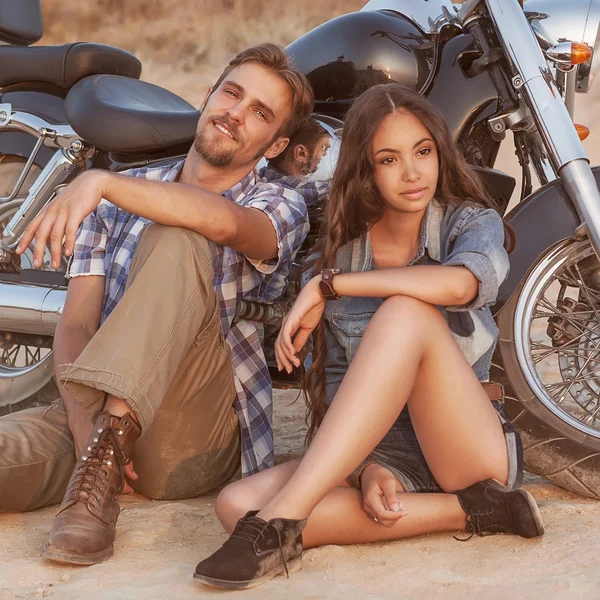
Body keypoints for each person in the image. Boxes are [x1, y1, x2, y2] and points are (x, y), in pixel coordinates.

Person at [194, 84, 544, 590]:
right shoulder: (342, 252)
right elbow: (337, 387)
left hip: (465, 446)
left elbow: (462, 284)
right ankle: (474, 512)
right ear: (365, 169)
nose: (412, 173)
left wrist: (330, 287)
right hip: (386, 451)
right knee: (234, 505)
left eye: (423, 151)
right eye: (388, 159)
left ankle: (283, 521)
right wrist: (363, 469)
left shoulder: (470, 223)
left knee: (406, 313)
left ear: (439, 153)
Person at [0, 43, 317, 566]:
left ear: (276, 143)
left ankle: (99, 474)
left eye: (259, 112)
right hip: (94, 420)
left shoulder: (280, 203)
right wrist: (87, 440)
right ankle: (100, 466)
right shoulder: (122, 195)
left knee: (177, 238)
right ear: (209, 95)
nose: (236, 114)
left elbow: (226, 223)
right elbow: (76, 323)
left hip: (192, 430)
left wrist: (99, 180)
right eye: (231, 93)